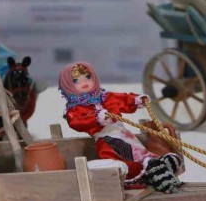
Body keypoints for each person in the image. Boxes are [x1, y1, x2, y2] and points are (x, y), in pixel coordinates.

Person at [58, 61, 183, 193]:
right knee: (128, 157)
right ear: (68, 85)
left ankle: (157, 167)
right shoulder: (75, 109)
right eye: (76, 80)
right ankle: (151, 172)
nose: (84, 82)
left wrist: (135, 100)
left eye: (88, 77)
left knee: (140, 152)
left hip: (124, 134)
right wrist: (98, 118)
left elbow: (122, 99)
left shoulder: (104, 97)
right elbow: (76, 122)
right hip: (108, 139)